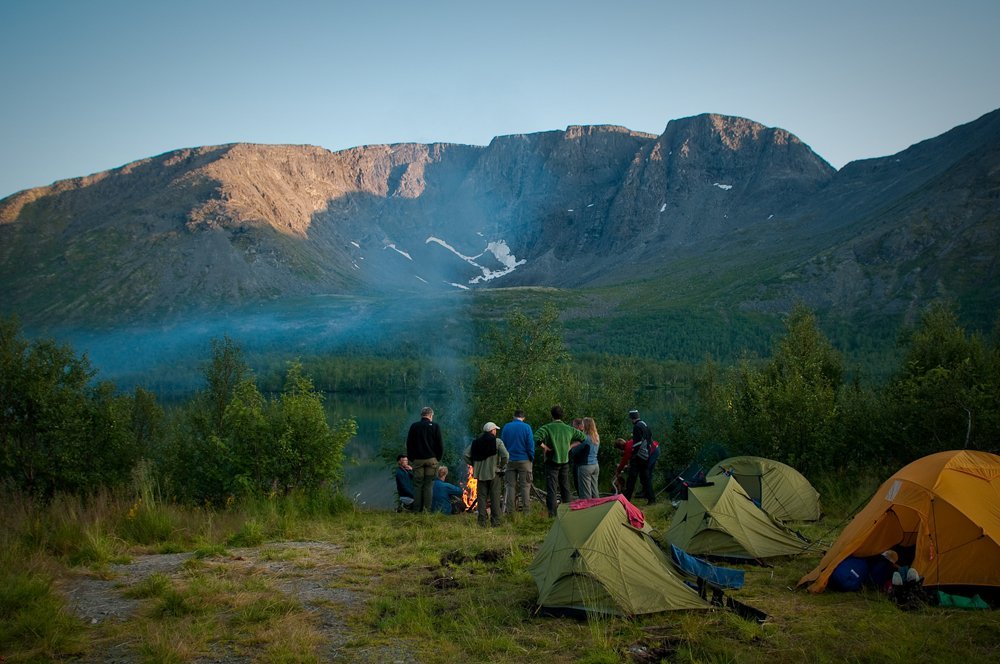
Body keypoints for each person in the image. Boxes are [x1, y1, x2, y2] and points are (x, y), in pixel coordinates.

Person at [533, 405, 585, 517]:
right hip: (564, 461)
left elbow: (536, 437)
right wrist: (570, 446)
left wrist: (545, 447)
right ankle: (567, 513)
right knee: (565, 487)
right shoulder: (569, 429)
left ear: (552, 415)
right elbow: (583, 438)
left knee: (551, 489)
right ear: (562, 415)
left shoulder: (547, 427)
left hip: (551, 461)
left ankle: (552, 514)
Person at [464, 422, 509, 527]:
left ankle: (482, 522)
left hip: (480, 475)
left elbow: (465, 455)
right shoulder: (497, 442)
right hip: (494, 474)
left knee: (482, 498)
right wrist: (501, 467)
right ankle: (495, 522)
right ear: (492, 431)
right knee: (495, 498)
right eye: (495, 430)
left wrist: (474, 464)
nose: (496, 431)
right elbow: (506, 456)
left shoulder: (476, 442)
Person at [405, 406, 444, 513]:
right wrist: (438, 458)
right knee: (428, 485)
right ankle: (426, 511)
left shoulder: (414, 426)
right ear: (431, 415)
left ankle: (416, 510)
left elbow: (409, 444)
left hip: (417, 460)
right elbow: (439, 444)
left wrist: (411, 458)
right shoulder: (435, 426)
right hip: (431, 460)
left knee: (417, 485)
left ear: (421, 415)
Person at [500, 409, 534, 515]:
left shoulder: (506, 427)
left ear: (513, 416)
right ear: (523, 418)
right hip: (524, 460)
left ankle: (511, 512)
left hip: (510, 460)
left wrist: (503, 459)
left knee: (510, 486)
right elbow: (530, 444)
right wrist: (531, 457)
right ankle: (526, 512)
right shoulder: (526, 427)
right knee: (525, 486)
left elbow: (502, 444)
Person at [575, 417, 601, 499]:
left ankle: (587, 510)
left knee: (585, 492)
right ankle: (597, 508)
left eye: (582, 423)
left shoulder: (585, 438)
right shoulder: (596, 437)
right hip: (595, 465)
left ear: (585, 425)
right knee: (594, 491)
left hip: (585, 466)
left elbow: (574, 451)